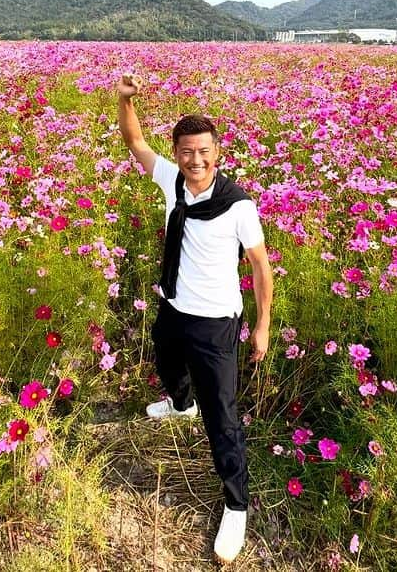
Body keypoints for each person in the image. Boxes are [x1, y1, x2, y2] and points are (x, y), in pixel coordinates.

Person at [116, 72, 273, 564]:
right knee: (166, 366)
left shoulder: (238, 205)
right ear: (178, 153)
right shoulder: (172, 181)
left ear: (216, 153)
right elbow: (135, 141)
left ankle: (236, 506)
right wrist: (124, 101)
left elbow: (261, 268)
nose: (195, 160)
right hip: (174, 305)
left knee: (222, 415)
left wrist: (263, 324)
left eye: (203, 151)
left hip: (215, 324)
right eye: (186, 152)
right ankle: (179, 404)